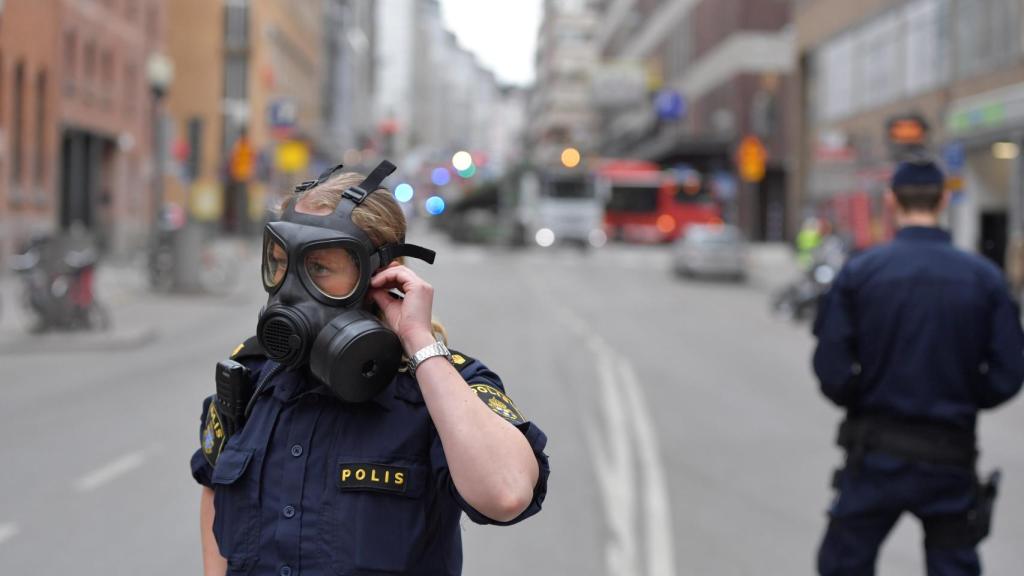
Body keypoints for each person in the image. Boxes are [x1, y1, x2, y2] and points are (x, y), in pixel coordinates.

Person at [190, 161, 550, 576]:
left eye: (319, 268)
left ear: (381, 275)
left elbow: (505, 494)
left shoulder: (443, 389)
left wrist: (418, 340)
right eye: (280, 262)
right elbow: (214, 489)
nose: (290, 287)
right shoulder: (252, 377)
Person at [813, 157, 1024, 576]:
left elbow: (831, 369)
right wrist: (964, 395)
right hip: (950, 454)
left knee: (844, 565)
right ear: (944, 200)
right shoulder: (984, 278)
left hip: (875, 453)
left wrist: (864, 396)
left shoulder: (860, 273)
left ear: (891, 201)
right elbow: (1009, 372)